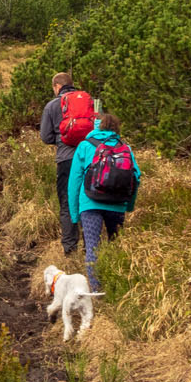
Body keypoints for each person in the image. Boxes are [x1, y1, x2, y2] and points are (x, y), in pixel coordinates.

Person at [67, 112, 139, 293]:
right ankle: (115, 288)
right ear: (116, 129)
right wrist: (128, 206)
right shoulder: (125, 148)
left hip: (90, 203)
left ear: (97, 127)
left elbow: (74, 182)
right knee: (115, 245)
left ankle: (97, 291)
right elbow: (136, 177)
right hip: (117, 204)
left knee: (92, 246)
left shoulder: (84, 146)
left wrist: (74, 215)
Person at [38, 71, 97, 258]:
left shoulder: (52, 105)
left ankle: (70, 250)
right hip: (89, 159)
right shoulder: (88, 102)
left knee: (67, 203)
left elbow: (45, 137)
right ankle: (91, 248)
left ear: (57, 87)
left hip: (66, 160)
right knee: (88, 201)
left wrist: (60, 138)